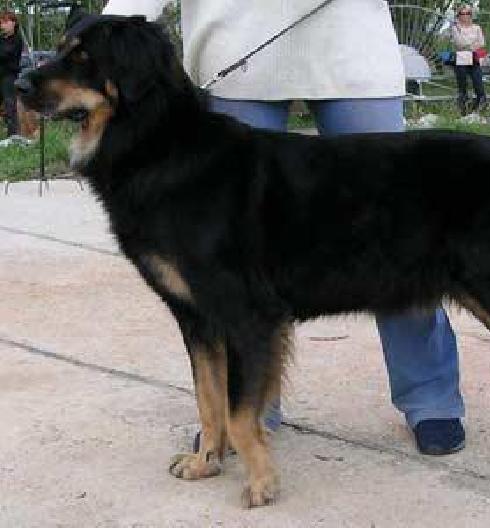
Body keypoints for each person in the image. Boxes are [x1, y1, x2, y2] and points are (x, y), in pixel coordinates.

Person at [102, 0, 466, 455]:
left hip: (353, 53)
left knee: (404, 244)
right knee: (228, 275)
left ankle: (430, 399)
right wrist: (106, 32)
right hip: (236, 56)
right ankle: (250, 411)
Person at [451, 4, 486, 116]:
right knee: (462, 87)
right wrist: (472, 43)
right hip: (461, 58)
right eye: (463, 13)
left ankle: (477, 111)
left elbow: (482, 42)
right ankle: (464, 112)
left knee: (479, 85)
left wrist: (468, 45)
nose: (465, 16)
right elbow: (459, 43)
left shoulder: (477, 28)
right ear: (459, 15)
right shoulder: (456, 28)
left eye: (468, 13)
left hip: (474, 57)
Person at [0, 10, 23, 138]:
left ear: (13, 23)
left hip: (9, 77)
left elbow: (5, 54)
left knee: (10, 105)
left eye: (5, 22)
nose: (2, 25)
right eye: (1, 23)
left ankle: (13, 135)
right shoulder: (1, 39)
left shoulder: (16, 39)